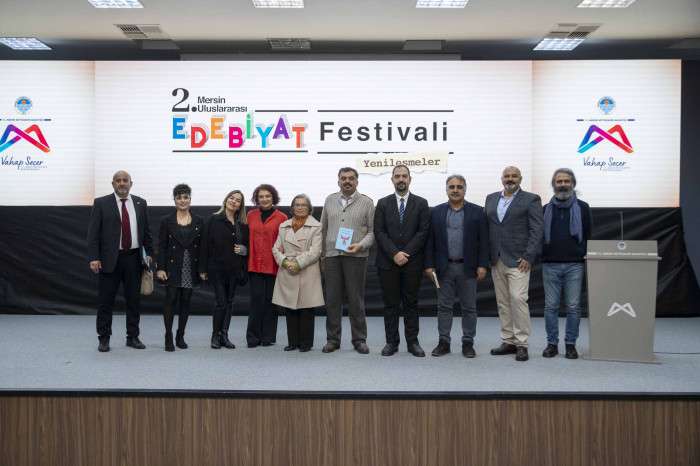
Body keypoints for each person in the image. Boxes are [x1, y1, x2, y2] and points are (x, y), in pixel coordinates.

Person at [87, 170, 153, 352]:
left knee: (133, 301)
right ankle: (104, 338)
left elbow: (146, 232)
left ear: (131, 183)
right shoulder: (101, 203)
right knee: (105, 301)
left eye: (125, 180)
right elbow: (93, 234)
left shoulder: (140, 203)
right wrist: (94, 257)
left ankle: (133, 337)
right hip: (109, 259)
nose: (122, 183)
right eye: (118, 180)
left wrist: (149, 254)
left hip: (134, 259)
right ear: (113, 184)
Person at [424, 175, 489, 358]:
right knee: (444, 307)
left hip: (468, 268)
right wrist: (429, 265)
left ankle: (468, 343)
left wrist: (483, 265)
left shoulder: (478, 212)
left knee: (469, 308)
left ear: (465, 189)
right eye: (451, 187)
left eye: (459, 187)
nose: (455, 190)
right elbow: (430, 241)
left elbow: (484, 241)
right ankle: (444, 342)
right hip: (443, 268)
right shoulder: (436, 212)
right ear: (446, 189)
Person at [484, 166, 543, 362]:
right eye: (507, 176)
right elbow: (488, 227)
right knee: (503, 302)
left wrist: (529, 256)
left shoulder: (531, 199)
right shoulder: (491, 198)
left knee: (518, 299)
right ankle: (508, 340)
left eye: (514, 176)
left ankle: (522, 343)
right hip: (496, 259)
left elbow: (537, 230)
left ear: (520, 178)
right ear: (502, 179)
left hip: (519, 260)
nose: (510, 179)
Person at [374, 165, 430, 357]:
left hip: (412, 263)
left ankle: (413, 343)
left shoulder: (421, 203)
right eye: (397, 176)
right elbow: (379, 232)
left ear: (409, 179)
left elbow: (423, 232)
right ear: (392, 179)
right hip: (387, 263)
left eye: (404, 176)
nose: (401, 179)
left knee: (411, 304)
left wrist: (405, 253)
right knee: (390, 305)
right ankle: (391, 342)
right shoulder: (382, 203)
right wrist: (394, 254)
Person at [320, 167, 375, 354]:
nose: (347, 181)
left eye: (351, 178)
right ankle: (332, 339)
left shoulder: (367, 202)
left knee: (355, 300)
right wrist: (322, 256)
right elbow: (323, 230)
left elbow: (372, 232)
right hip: (332, 257)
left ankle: (359, 339)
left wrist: (361, 245)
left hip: (356, 257)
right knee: (332, 300)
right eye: (343, 178)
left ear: (357, 181)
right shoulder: (329, 200)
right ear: (338, 181)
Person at [541, 168, 592, 360]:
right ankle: (551, 344)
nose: (563, 185)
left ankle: (571, 345)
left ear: (573, 184)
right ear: (554, 184)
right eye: (559, 181)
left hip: (574, 265)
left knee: (573, 307)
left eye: (566, 181)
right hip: (550, 265)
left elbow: (589, 235)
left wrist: (582, 253)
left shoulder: (583, 208)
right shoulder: (545, 209)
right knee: (550, 307)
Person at [272, 194, 324, 352]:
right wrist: (284, 262)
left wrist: (298, 263)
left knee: (306, 308)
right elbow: (276, 248)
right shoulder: (283, 226)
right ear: (292, 208)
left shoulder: (317, 226)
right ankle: (292, 342)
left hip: (307, 269)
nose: (300, 207)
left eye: (303, 205)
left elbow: (316, 251)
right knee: (290, 308)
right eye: (297, 205)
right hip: (287, 269)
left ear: (309, 208)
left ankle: (306, 343)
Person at [156, 184, 203, 351]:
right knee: (170, 300)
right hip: (172, 265)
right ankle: (168, 335)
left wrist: (202, 269)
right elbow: (162, 246)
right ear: (174, 200)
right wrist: (160, 268)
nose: (182, 201)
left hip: (190, 265)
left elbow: (202, 247)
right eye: (179, 198)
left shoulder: (199, 220)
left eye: (185, 197)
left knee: (186, 301)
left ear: (190, 199)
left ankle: (180, 335)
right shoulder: (166, 220)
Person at [200, 190, 249, 349]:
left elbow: (246, 245)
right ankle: (215, 336)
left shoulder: (242, 224)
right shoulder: (213, 219)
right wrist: (202, 269)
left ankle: (224, 335)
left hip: (234, 270)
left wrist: (245, 250)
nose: (234, 201)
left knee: (229, 302)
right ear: (226, 200)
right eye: (231, 198)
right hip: (216, 269)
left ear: (240, 205)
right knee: (221, 302)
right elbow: (204, 244)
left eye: (238, 200)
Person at [246, 184, 288, 347]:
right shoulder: (250, 215)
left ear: (273, 198)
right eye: (261, 196)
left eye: (268, 196)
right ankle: (253, 337)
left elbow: (284, 242)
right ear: (257, 199)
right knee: (256, 300)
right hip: (254, 264)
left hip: (274, 265)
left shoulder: (282, 217)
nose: (264, 199)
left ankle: (267, 337)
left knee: (271, 301)